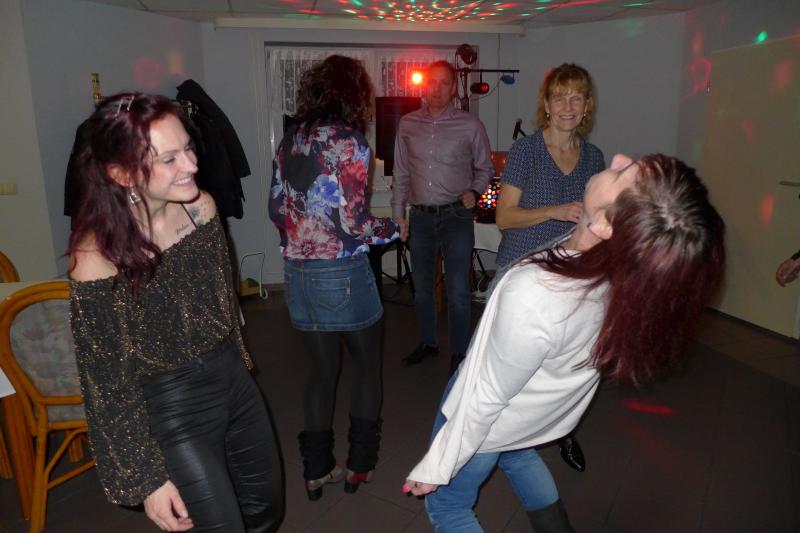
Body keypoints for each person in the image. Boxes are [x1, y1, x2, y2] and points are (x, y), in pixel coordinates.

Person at [403, 154, 726, 532]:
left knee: (448, 508)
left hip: (488, 414)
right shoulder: (623, 275)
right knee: (518, 455)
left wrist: (439, 463)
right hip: (530, 410)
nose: (618, 158)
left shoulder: (537, 294)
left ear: (605, 225)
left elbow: (486, 397)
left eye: (623, 172)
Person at [68, 93, 284, 532]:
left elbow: (222, 301)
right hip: (171, 406)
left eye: (188, 147)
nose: (191, 164)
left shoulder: (200, 207)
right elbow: (105, 380)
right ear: (121, 173)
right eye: (169, 159)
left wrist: (239, 368)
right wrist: (147, 478)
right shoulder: (96, 256)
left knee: (266, 510)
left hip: (231, 378)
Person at [269, 55, 399, 500]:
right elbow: (357, 223)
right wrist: (394, 228)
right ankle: (360, 464)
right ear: (354, 95)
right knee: (366, 366)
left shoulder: (290, 141)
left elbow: (276, 210)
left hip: (297, 273)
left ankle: (316, 470)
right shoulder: (350, 142)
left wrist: (303, 238)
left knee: (322, 371)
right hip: (341, 273)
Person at [495, 63, 605, 473]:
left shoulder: (594, 157)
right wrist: (553, 211)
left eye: (577, 98)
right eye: (560, 97)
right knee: (514, 366)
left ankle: (562, 431)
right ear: (546, 103)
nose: (568, 106)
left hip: (569, 277)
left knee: (562, 367)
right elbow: (504, 218)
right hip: (522, 274)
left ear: (587, 105)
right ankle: (502, 434)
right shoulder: (525, 151)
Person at [391, 60, 494, 373]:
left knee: (458, 291)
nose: (436, 88)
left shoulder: (470, 125)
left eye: (444, 83)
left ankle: (459, 352)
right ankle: (428, 342)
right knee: (422, 289)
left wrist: (475, 191)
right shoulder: (407, 124)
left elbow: (485, 168)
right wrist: (399, 216)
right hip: (420, 218)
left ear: (453, 88)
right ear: (425, 85)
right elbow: (401, 173)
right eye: (431, 82)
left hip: (456, 217)